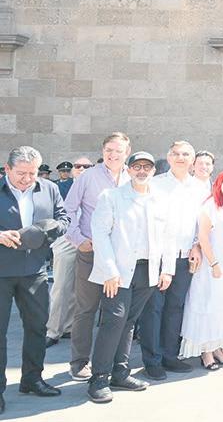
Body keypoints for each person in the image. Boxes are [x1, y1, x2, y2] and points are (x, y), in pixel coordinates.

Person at [86, 151, 175, 404]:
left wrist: (167, 269)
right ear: (128, 170)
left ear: (153, 171)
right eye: (137, 166)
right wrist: (110, 271)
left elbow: (168, 236)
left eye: (147, 166)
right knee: (113, 321)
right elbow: (100, 234)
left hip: (147, 271)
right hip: (118, 271)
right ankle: (99, 378)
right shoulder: (112, 197)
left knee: (129, 322)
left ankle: (120, 373)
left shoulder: (160, 200)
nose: (142, 170)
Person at [1, 146, 68, 413]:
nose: (27, 179)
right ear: (7, 169)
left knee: (37, 328)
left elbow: (64, 218)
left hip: (35, 271)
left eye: (33, 173)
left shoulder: (49, 188)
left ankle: (32, 379)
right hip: (1, 272)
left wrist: (49, 229)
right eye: (21, 173)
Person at [138, 141, 209, 380]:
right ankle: (152, 360)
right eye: (176, 154)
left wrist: (197, 245)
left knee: (175, 307)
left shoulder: (199, 188)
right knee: (153, 309)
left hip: (185, 258)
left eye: (185, 154)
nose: (180, 157)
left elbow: (202, 223)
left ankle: (170, 355)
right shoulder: (155, 184)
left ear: (192, 160)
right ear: (168, 157)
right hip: (158, 258)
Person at [66, 132, 131, 381]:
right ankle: (79, 362)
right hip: (91, 252)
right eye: (109, 150)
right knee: (86, 309)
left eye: (118, 150)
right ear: (103, 151)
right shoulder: (88, 176)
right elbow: (68, 209)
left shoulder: (131, 178)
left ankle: (109, 362)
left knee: (115, 312)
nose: (113, 155)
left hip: (121, 257)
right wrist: (78, 240)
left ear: (127, 153)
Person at [179, 169, 223, 370]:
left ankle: (217, 347)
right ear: (219, 182)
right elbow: (203, 237)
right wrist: (214, 264)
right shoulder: (210, 206)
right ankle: (206, 352)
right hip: (212, 266)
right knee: (208, 305)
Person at [45, 162, 79, 347]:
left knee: (77, 288)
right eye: (78, 166)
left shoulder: (102, 185)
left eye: (87, 166)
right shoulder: (61, 186)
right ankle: (53, 330)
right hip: (68, 238)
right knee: (61, 286)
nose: (82, 169)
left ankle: (68, 326)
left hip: (92, 239)